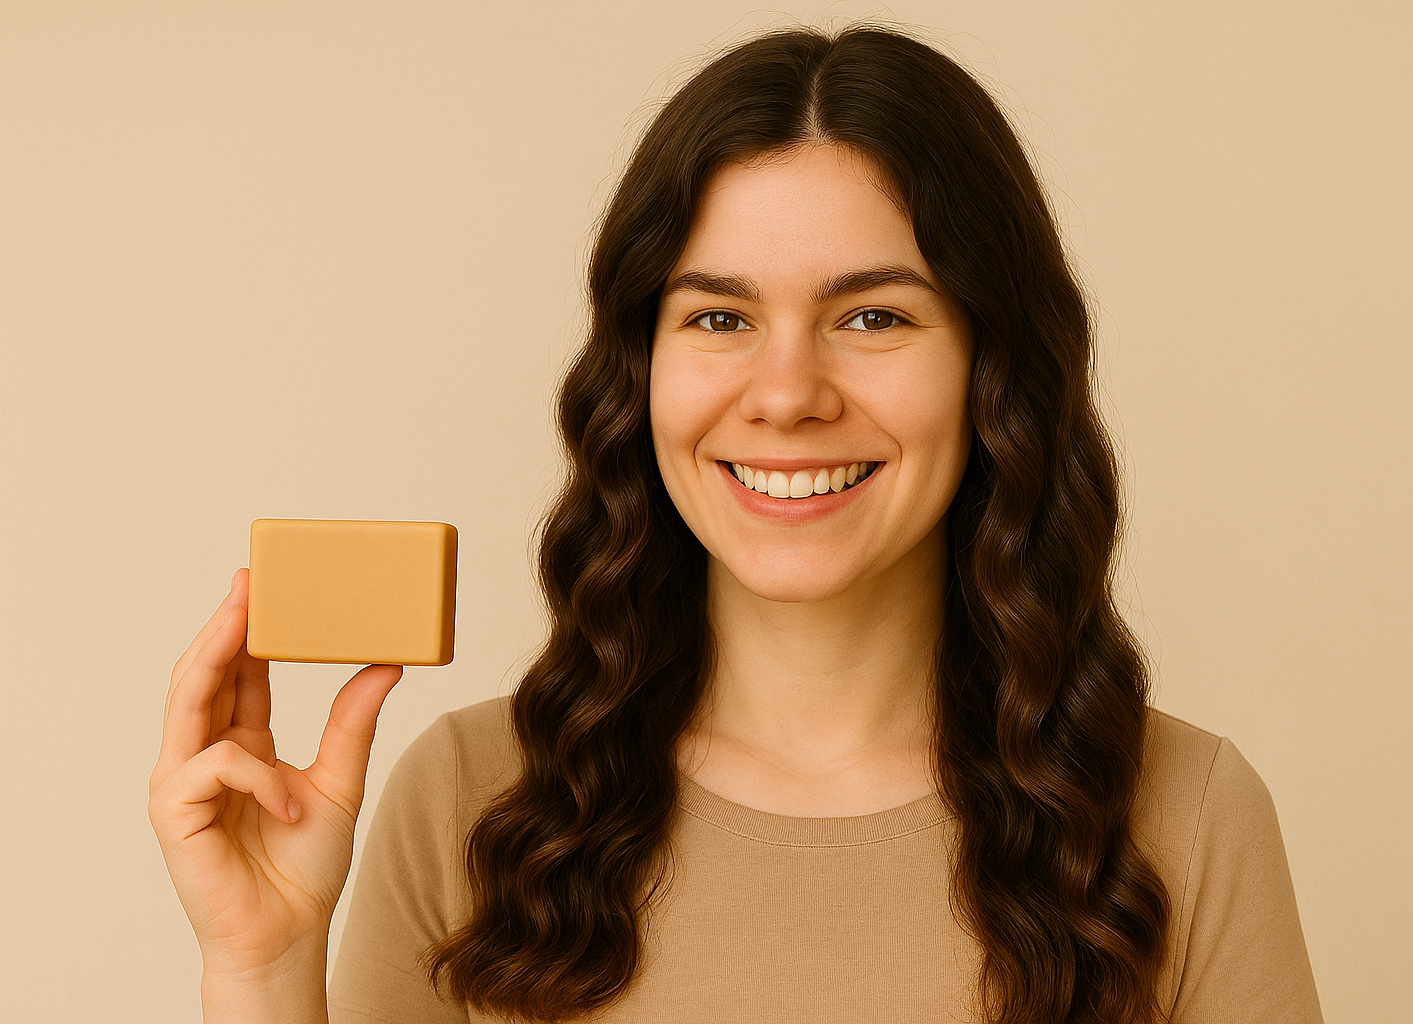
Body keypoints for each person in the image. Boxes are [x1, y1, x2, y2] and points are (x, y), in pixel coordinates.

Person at [149, 25, 1324, 1024]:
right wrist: (262, 969)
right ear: (639, 374)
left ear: (994, 368)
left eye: (873, 316)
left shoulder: (1188, 815)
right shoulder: (470, 799)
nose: (786, 393)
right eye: (718, 319)